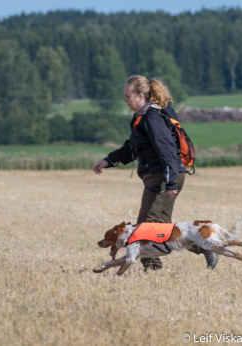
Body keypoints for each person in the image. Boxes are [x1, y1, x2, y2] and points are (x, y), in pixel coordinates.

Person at [92, 75, 217, 271]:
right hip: (157, 179)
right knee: (157, 229)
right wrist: (108, 160)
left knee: (147, 229)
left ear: (141, 95)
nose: (126, 101)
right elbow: (132, 149)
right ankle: (199, 249)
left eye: (128, 96)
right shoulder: (141, 118)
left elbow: (167, 150)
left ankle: (154, 269)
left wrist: (171, 184)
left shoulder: (152, 118)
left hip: (166, 178)